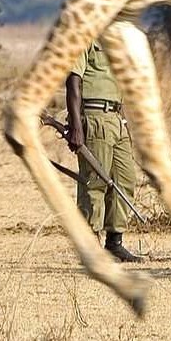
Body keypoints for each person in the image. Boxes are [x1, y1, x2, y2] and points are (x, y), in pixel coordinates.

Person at [65, 39, 142, 264]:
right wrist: (77, 126)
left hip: (117, 118)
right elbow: (73, 81)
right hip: (95, 116)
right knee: (95, 181)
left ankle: (114, 243)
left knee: (125, 179)